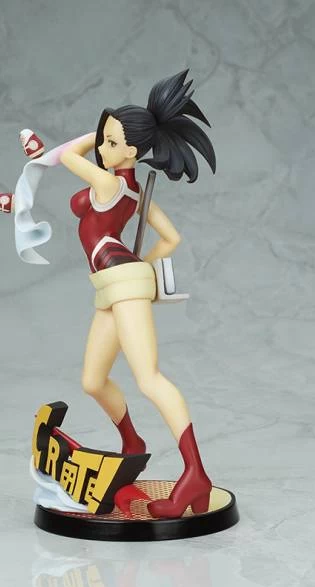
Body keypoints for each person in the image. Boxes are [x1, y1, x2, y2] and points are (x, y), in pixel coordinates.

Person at [57, 70, 217, 518]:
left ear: (132, 151)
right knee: (93, 381)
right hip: (111, 286)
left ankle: (195, 473)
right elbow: (171, 238)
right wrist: (142, 266)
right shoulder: (129, 191)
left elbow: (67, 155)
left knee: (149, 378)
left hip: (122, 283)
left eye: (111, 142)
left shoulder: (111, 185)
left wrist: (136, 273)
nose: (103, 149)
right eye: (103, 140)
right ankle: (132, 441)